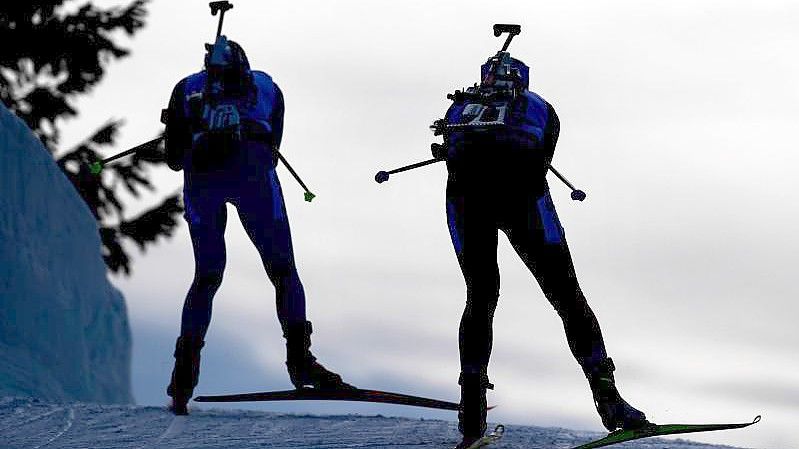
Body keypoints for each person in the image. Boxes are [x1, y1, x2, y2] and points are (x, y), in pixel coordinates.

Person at [440, 52, 648, 448]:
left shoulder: (460, 106)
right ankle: (610, 402)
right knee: (569, 299)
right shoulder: (540, 108)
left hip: (467, 205)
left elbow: (449, 155)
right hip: (527, 206)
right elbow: (544, 157)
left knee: (480, 298)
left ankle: (471, 417)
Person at [161, 36, 350, 415]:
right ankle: (301, 363)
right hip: (255, 180)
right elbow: (274, 143)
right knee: (282, 271)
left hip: (203, 183)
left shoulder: (186, 89)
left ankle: (184, 374)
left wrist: (191, 134)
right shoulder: (266, 86)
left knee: (207, 276)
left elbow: (174, 159)